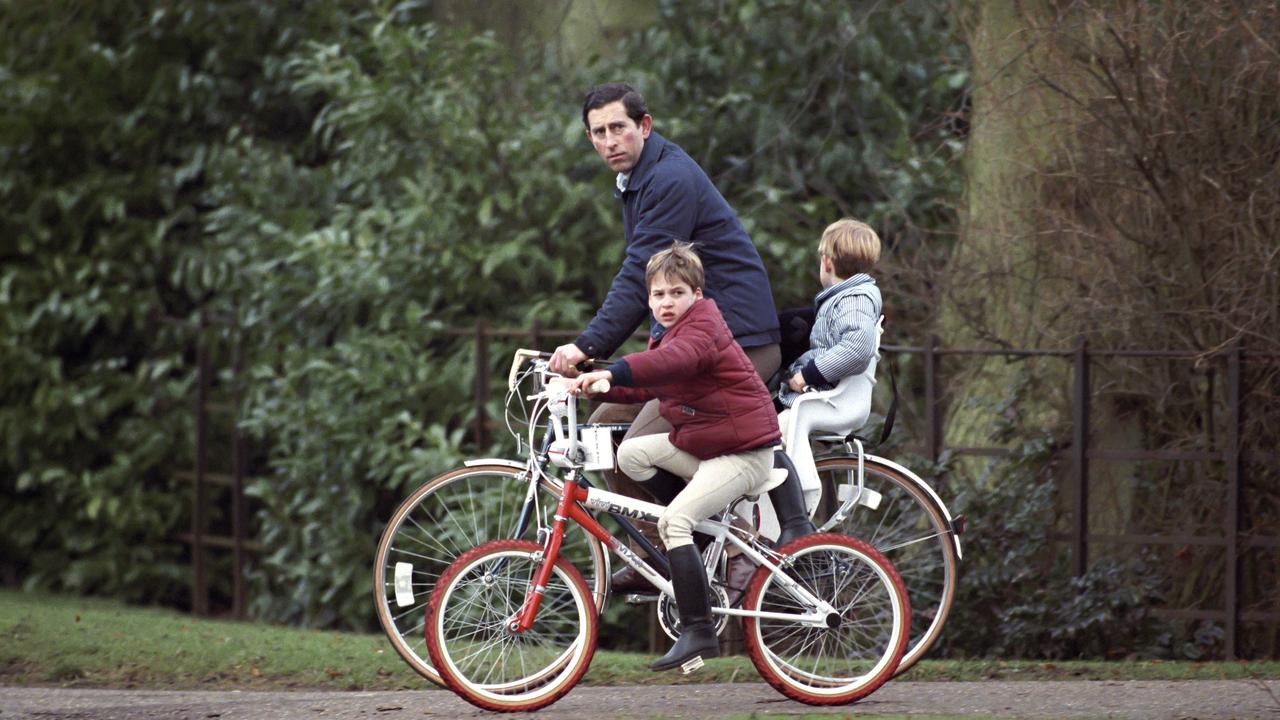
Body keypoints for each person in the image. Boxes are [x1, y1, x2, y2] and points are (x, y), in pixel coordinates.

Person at [551, 83, 780, 594]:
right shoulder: (640, 179)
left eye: (618, 128)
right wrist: (605, 370)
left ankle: (724, 544)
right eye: (598, 132)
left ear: (645, 127)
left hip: (735, 346)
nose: (609, 140)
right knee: (605, 423)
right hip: (691, 352)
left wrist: (588, 348)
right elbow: (652, 287)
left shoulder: (668, 178)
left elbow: (639, 276)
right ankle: (664, 548)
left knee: (636, 444)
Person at [568, 242, 779, 671]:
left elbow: (671, 362)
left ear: (696, 295)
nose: (667, 303)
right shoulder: (670, 331)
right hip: (711, 448)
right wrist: (598, 382)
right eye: (659, 295)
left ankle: (698, 630)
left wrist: (615, 370)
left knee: (672, 521)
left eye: (677, 293)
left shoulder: (702, 327)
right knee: (630, 455)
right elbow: (653, 385)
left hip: (742, 454)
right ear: (649, 299)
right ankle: (696, 538)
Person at [773, 218, 883, 521]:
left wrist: (807, 375)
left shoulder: (854, 300)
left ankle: (799, 505)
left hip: (832, 399)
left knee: (774, 433)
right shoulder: (848, 298)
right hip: (827, 394)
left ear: (827, 261)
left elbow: (857, 347)